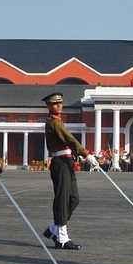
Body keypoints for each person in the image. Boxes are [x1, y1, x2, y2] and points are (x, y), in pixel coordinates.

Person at [41, 92, 98, 250]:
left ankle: (54, 229)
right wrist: (86, 154)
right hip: (60, 163)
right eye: (55, 103)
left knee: (73, 199)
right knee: (62, 200)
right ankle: (62, 238)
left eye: (60, 103)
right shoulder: (54, 123)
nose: (59, 105)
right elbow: (70, 140)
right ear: (48, 106)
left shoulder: (58, 122)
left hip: (67, 162)